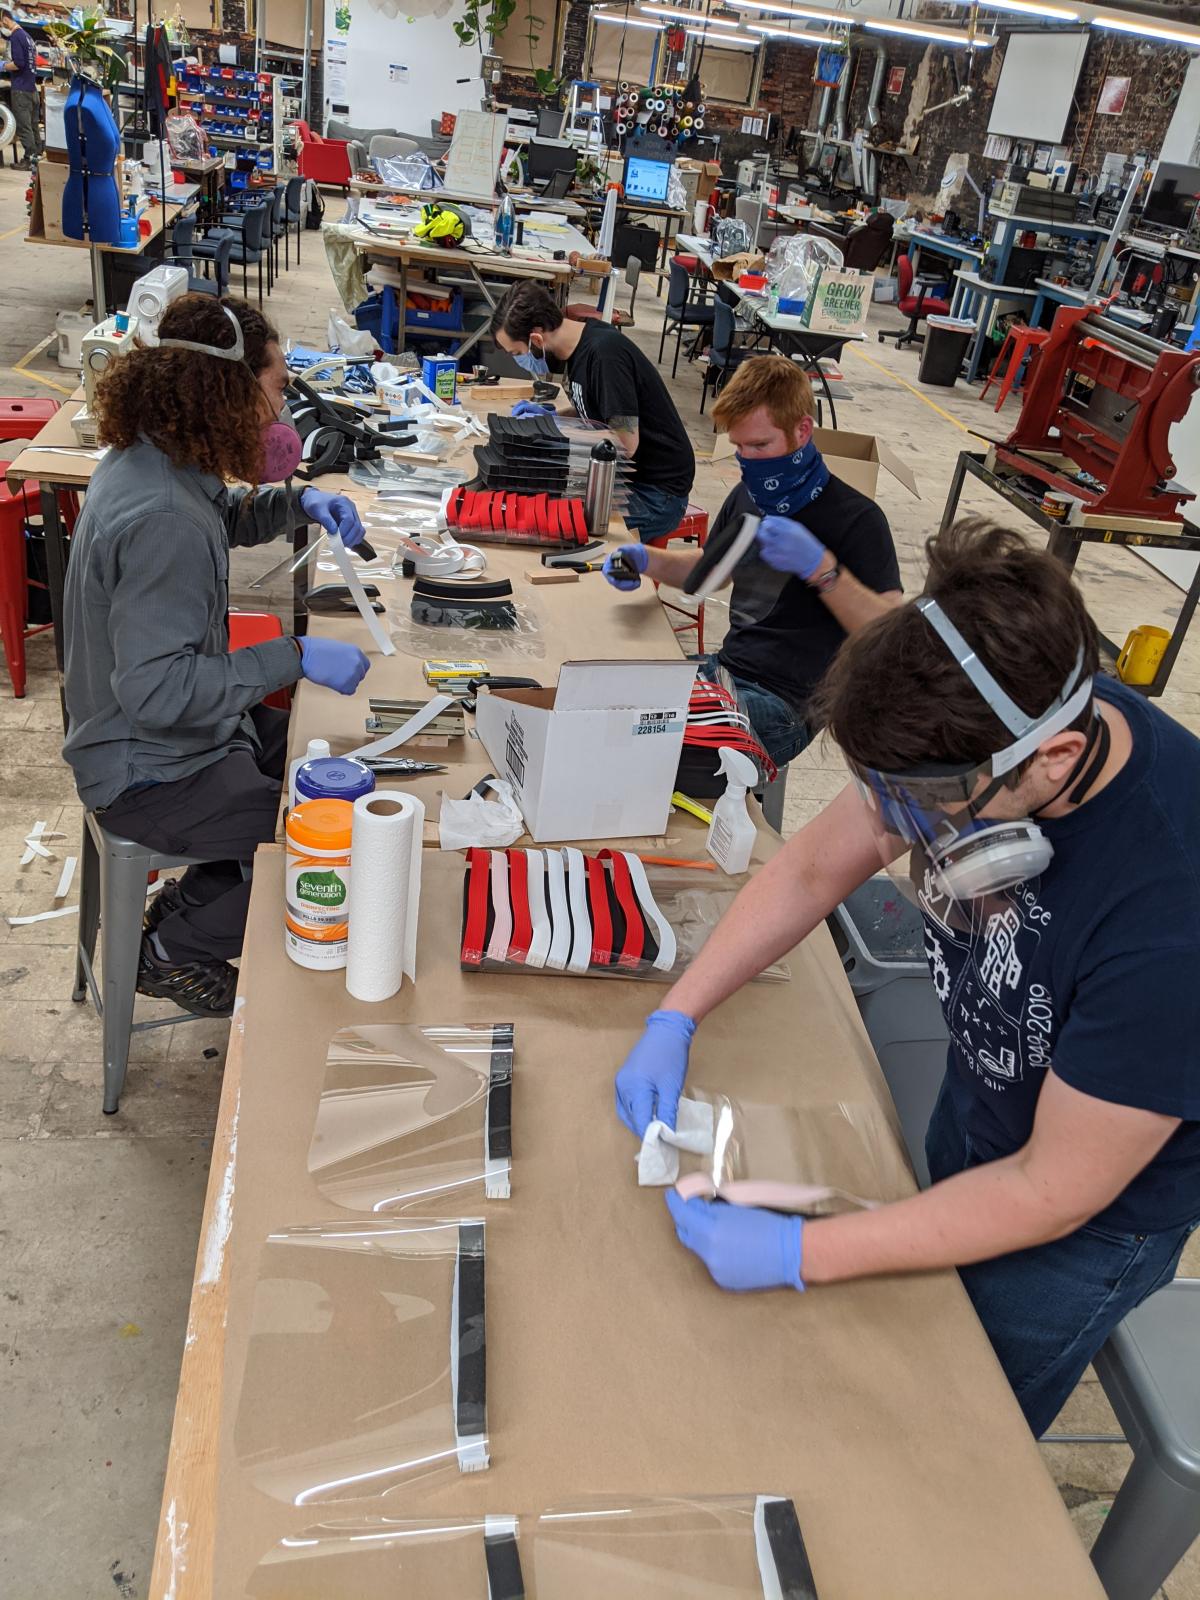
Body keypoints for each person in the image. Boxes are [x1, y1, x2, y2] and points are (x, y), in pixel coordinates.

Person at [614, 519, 1200, 1437]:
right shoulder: (996, 710)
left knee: (950, 1432)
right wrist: (677, 1013)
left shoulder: (1171, 926)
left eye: (923, 806)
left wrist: (805, 1250)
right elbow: (812, 868)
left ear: (1047, 759)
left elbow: (1052, 1188)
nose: (892, 825)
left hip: (1085, 1231)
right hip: (984, 1115)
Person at [63, 295, 372, 1019]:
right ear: (227, 390)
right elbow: (161, 693)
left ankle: (196, 896)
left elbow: (220, 515)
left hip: (162, 743)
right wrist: (292, 655)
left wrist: (295, 505)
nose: (282, 408)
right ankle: (170, 952)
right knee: (336, 847)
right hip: (148, 770)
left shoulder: (151, 462)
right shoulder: (163, 517)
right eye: (276, 386)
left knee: (324, 763)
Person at [603, 356, 902, 769]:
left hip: (786, 706)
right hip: (726, 670)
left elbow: (889, 634)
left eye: (760, 446)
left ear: (802, 429)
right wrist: (643, 558)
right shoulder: (750, 494)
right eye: (740, 447)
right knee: (601, 699)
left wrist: (822, 570)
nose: (749, 460)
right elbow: (711, 572)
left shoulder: (858, 519)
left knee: (635, 749)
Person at [490, 279, 695, 544]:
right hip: (624, 480)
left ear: (536, 339)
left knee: (555, 526)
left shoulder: (604, 355)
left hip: (656, 494)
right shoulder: (578, 346)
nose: (519, 359)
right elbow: (595, 411)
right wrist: (551, 419)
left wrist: (555, 437)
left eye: (517, 352)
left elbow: (625, 442)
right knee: (533, 499)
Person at [1, 6, 39, 168]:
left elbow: (19, 63)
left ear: (5, 19)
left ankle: (29, 159)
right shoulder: (27, 37)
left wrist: (2, 66)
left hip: (21, 89)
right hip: (32, 88)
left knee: (24, 126)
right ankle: (37, 158)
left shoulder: (16, 36)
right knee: (32, 125)